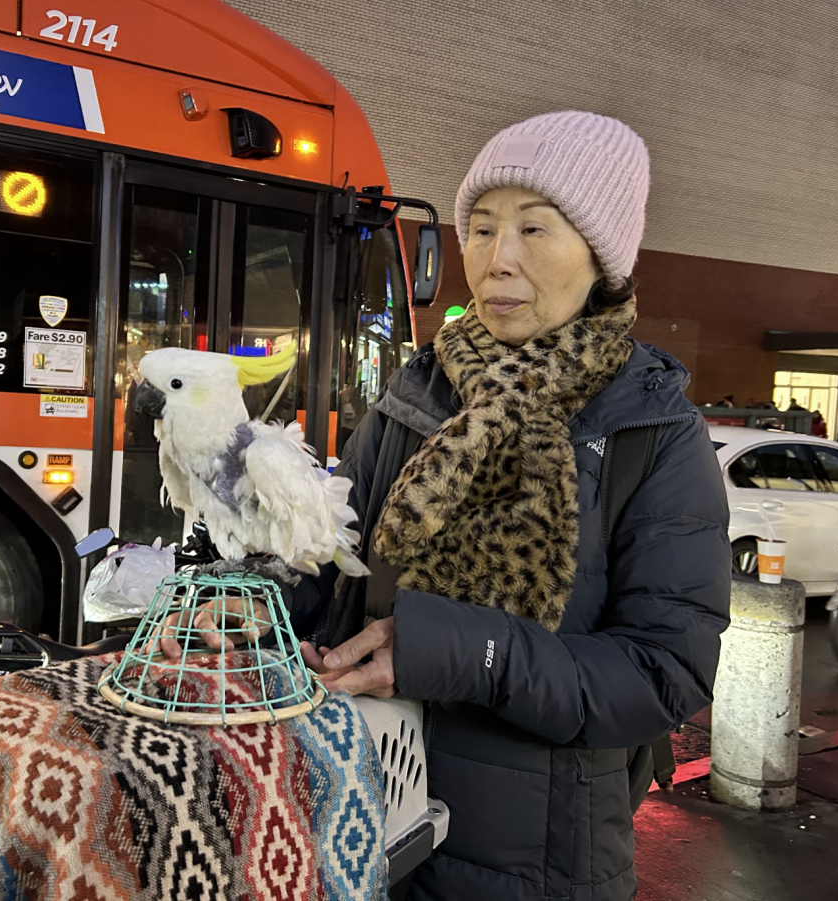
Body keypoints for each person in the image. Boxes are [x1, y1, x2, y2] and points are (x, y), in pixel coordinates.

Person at [286, 112, 730, 900]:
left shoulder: (653, 430)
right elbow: (330, 565)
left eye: (534, 228)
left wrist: (466, 651)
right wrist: (257, 598)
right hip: (366, 824)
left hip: (541, 863)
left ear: (603, 260)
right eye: (481, 229)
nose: (498, 260)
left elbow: (666, 672)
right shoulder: (415, 395)